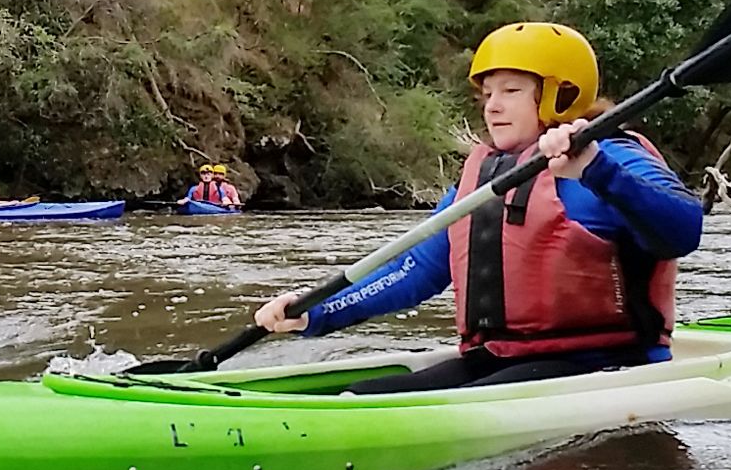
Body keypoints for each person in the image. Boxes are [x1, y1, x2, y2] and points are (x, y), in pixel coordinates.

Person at [250, 22, 700, 392]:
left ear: (560, 94)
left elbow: (682, 230)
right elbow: (414, 268)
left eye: (511, 91)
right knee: (349, 397)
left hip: (605, 366)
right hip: (500, 361)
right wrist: (318, 310)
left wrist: (596, 169)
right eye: (487, 94)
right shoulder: (488, 175)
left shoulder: (611, 156)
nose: (492, 107)